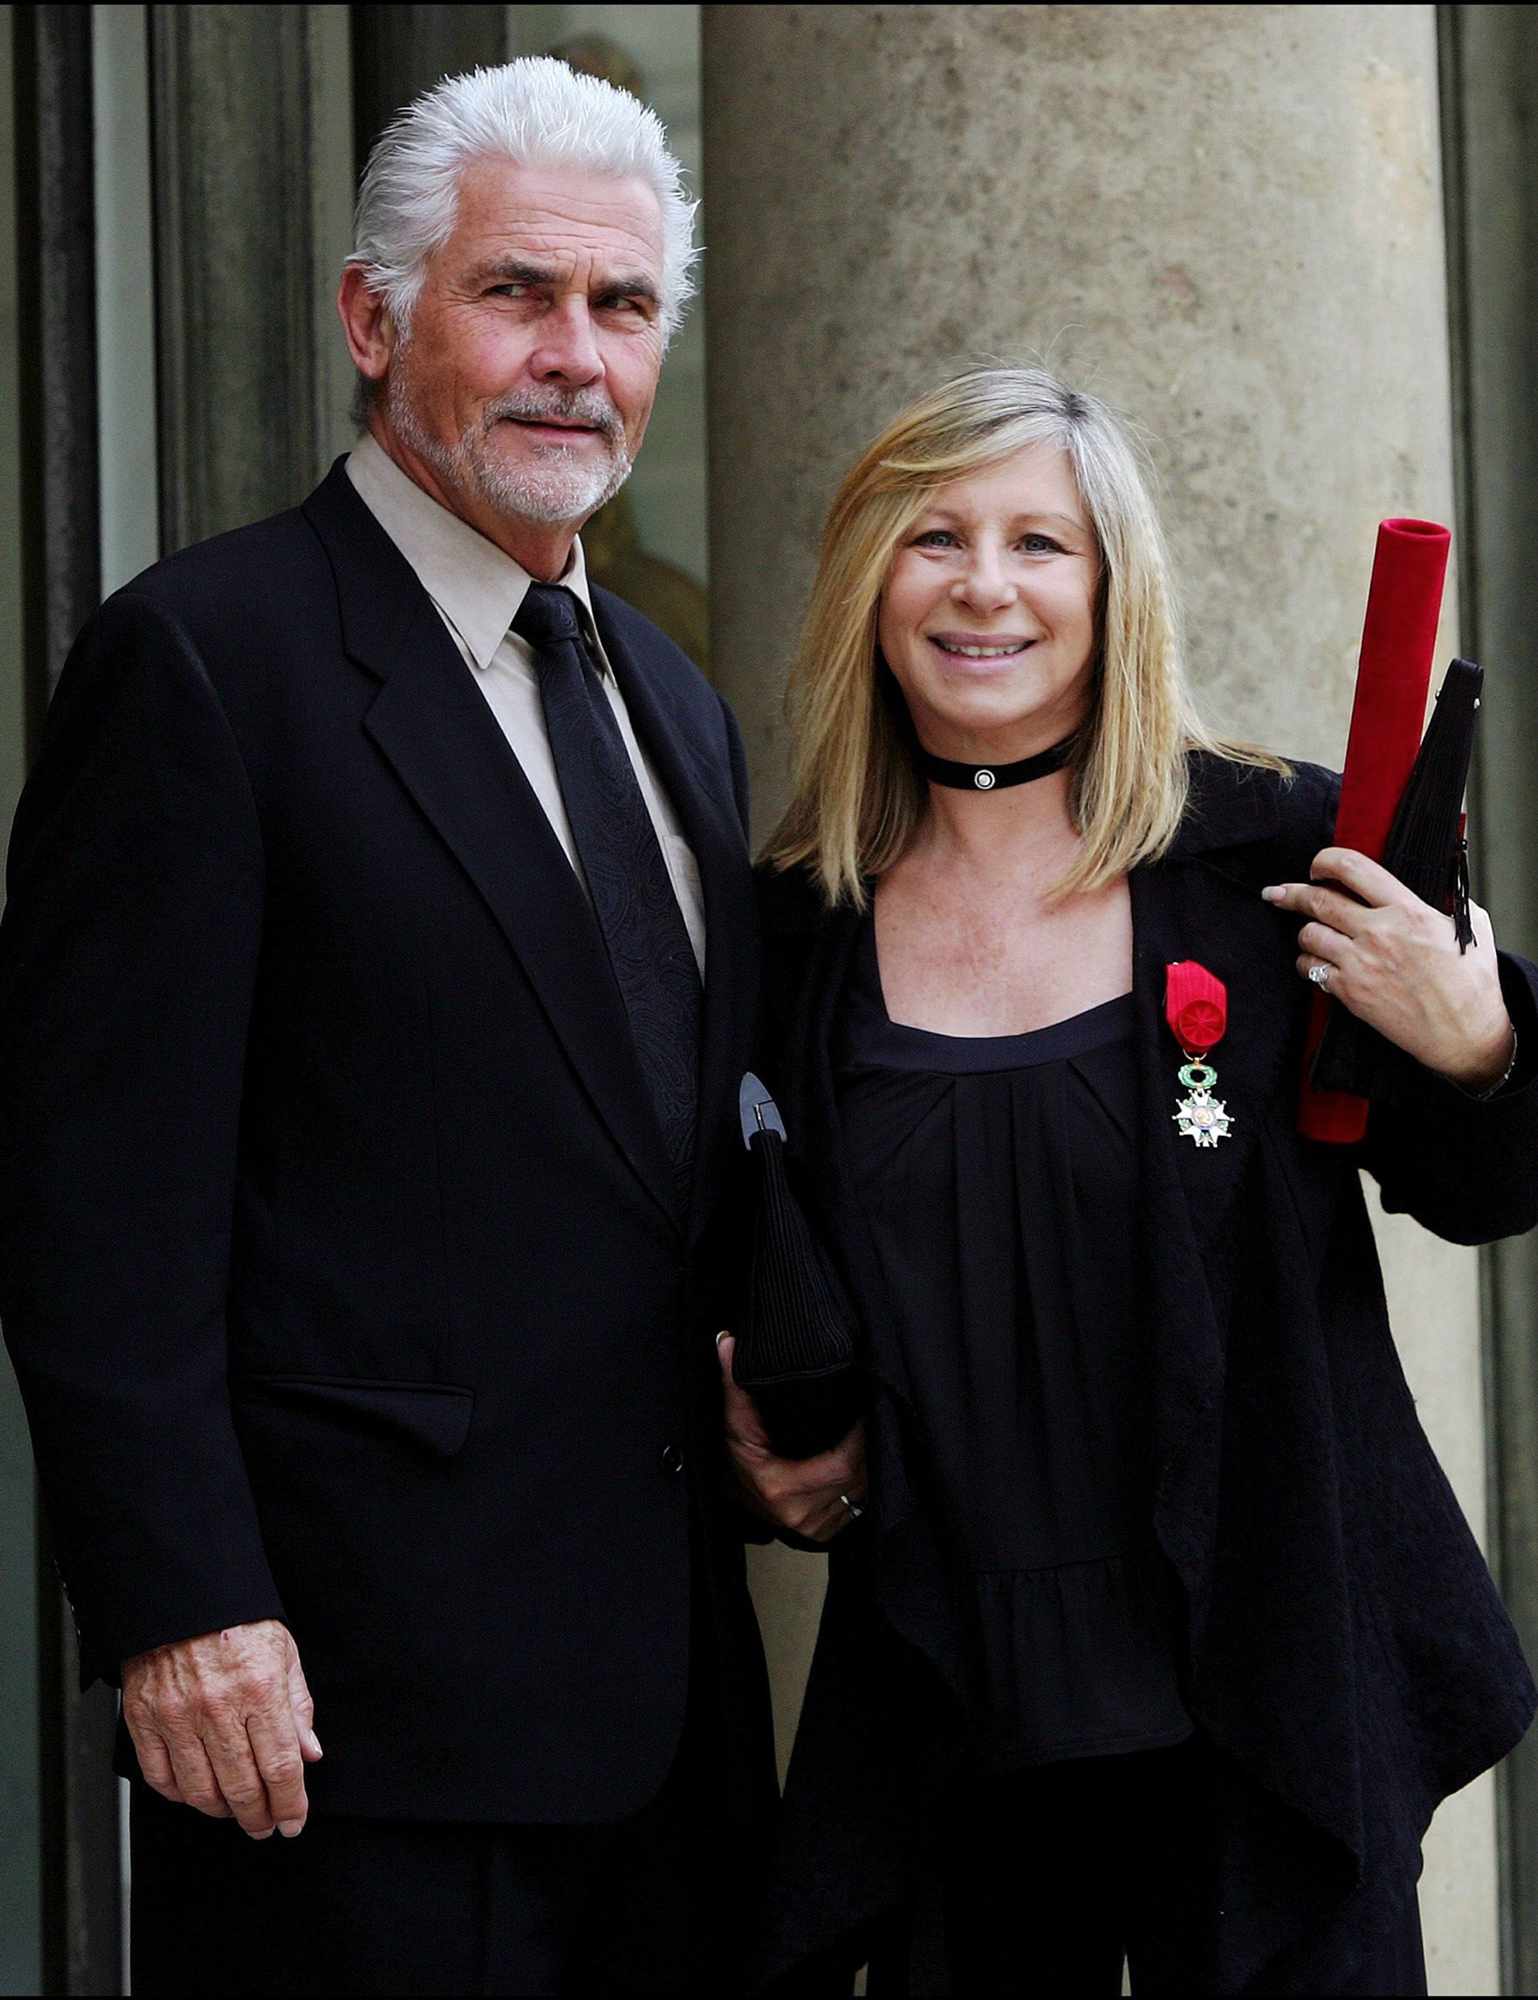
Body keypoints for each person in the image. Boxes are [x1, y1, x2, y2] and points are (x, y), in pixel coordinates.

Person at [0, 57, 775, 1997]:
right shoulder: (204, 660)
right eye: (515, 292)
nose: (574, 358)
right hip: (346, 1718)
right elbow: (96, 1200)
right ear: (371, 315)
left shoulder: (673, 700)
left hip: (667, 1713)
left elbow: (647, 1159)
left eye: (622, 308)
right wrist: (183, 1610)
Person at [722, 365, 1538, 1995]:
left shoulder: (1274, 861)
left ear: (1112, 590)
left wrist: (1473, 1042)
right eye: (933, 536)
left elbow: (1483, 1184)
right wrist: (769, 1433)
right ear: (868, 581)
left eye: (1041, 542)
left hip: (1266, 1693)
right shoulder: (793, 935)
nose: (983, 585)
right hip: (957, 1719)